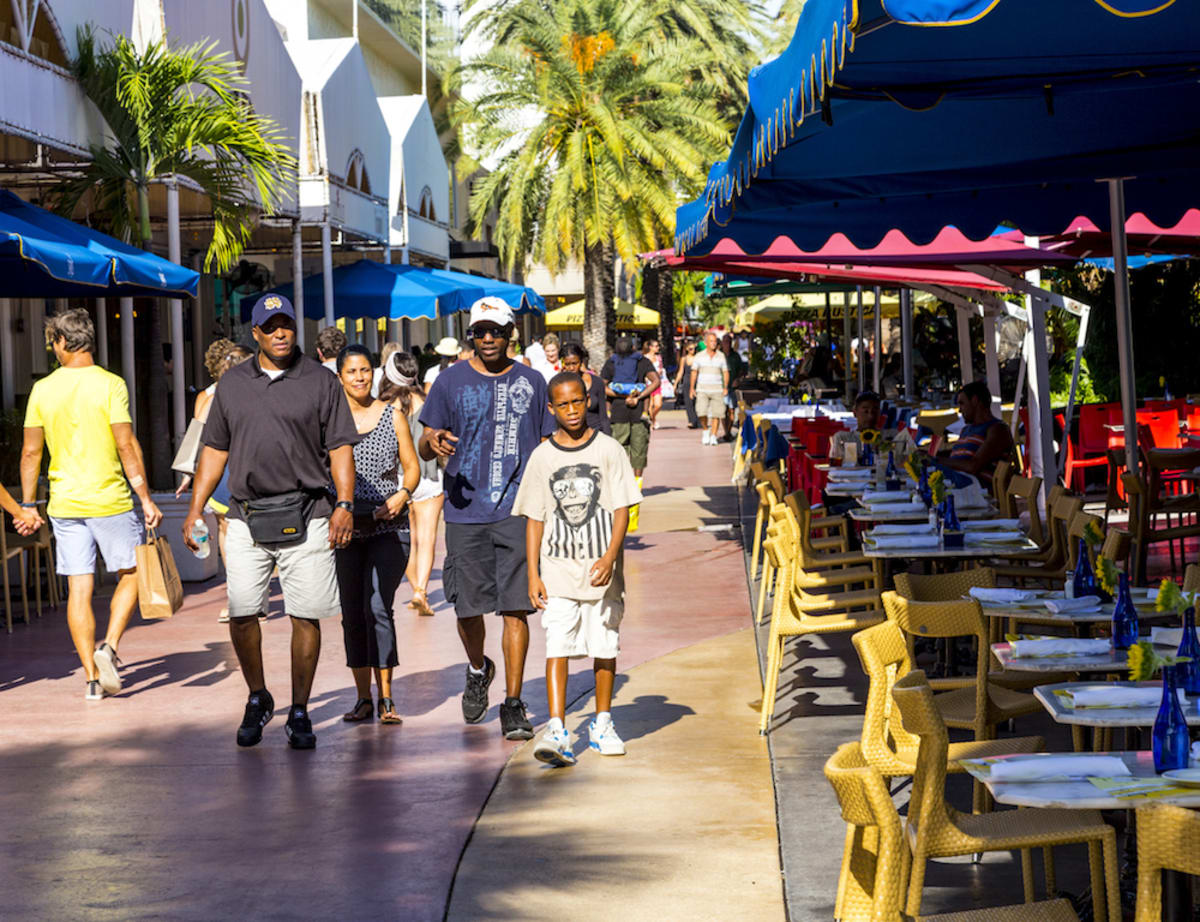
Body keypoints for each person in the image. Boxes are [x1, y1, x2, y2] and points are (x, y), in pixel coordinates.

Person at [183, 293, 358, 750]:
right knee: (242, 613)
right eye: (271, 326)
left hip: (309, 512)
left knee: (306, 614)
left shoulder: (321, 381)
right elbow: (214, 450)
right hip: (245, 517)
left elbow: (340, 446)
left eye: (287, 324)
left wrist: (344, 503)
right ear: (255, 333)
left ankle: (300, 710)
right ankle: (258, 696)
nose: (281, 333)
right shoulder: (232, 386)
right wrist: (196, 507)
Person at [419, 296, 556, 740]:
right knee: (468, 607)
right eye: (480, 331)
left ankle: (513, 704)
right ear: (471, 335)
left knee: (515, 608)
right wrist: (433, 442)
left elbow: (549, 444)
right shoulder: (449, 381)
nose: (488, 338)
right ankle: (478, 669)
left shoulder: (533, 381)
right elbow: (425, 440)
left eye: (496, 330)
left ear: (510, 333)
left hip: (518, 510)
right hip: (464, 512)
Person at [20, 308, 163, 700]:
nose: (53, 349)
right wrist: (146, 497)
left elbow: (31, 453)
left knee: (78, 588)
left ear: (63, 342)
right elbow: (126, 443)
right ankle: (109, 646)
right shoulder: (111, 385)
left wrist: (29, 504)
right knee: (131, 574)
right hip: (110, 499)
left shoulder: (42, 389)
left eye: (53, 342)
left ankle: (91, 680)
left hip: (64, 504)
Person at [516, 371, 642, 767]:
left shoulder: (608, 450)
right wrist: (533, 573)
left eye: (577, 402)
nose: (571, 411)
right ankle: (557, 728)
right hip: (556, 569)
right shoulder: (543, 457)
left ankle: (602, 721)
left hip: (600, 571)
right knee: (558, 644)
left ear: (587, 400)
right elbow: (534, 517)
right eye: (562, 404)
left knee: (604, 645)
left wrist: (609, 556)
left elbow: (623, 508)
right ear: (550, 408)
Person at [335, 344, 421, 726]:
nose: (359, 377)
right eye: (352, 371)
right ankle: (362, 698)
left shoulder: (393, 415)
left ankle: (387, 698)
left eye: (365, 370)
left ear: (375, 373)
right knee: (353, 612)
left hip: (389, 526)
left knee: (378, 608)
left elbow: (412, 469)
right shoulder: (331, 422)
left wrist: (403, 494)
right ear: (340, 376)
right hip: (347, 530)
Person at [176, 340, 254, 622]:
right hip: (229, 470)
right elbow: (199, 439)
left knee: (231, 533)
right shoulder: (218, 397)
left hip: (225, 473)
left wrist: (188, 474)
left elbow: (195, 439)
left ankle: (242, 596)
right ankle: (242, 596)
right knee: (236, 531)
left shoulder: (209, 397)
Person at [379, 350, 444, 617]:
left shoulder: (384, 405)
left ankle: (417, 587)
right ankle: (421, 592)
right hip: (429, 476)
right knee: (427, 539)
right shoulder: (427, 400)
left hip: (400, 479)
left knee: (405, 538)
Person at [600, 337, 658, 533]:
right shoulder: (642, 361)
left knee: (618, 454)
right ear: (633, 348)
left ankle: (620, 490)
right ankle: (637, 491)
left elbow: (602, 385)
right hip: (639, 413)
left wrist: (620, 396)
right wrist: (639, 396)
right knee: (639, 455)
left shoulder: (612, 361)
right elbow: (655, 381)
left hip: (618, 413)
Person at [943, 380, 1015, 485]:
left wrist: (937, 460)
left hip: (979, 494)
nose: (960, 410)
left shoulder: (998, 430)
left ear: (975, 400)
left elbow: (973, 466)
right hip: (957, 488)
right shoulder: (966, 430)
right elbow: (958, 458)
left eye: (962, 404)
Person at [561, 342, 610, 435]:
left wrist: (608, 439)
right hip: (570, 436)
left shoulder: (596, 382)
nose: (571, 368)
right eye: (567, 364)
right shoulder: (560, 385)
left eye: (574, 363)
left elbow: (603, 416)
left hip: (596, 433)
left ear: (581, 362)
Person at [690, 331, 728, 446]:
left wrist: (725, 387)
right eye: (711, 341)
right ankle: (706, 430)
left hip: (717, 389)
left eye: (715, 341)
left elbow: (725, 372)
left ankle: (713, 435)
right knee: (701, 412)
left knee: (717, 413)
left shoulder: (721, 356)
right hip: (702, 389)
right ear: (706, 343)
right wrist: (692, 388)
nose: (714, 343)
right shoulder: (699, 356)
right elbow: (694, 372)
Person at [674, 339, 700, 428]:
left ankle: (698, 420)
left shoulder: (698, 358)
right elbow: (680, 372)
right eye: (690, 349)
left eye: (693, 349)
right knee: (688, 401)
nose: (692, 351)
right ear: (686, 349)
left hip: (697, 381)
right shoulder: (683, 359)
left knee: (697, 401)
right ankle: (691, 421)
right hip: (687, 380)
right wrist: (675, 384)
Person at [643, 338, 666, 430]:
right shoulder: (644, 357)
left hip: (657, 383)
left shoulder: (658, 357)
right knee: (650, 405)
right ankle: (652, 421)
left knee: (658, 404)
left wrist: (660, 371)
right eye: (656, 346)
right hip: (647, 384)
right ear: (650, 347)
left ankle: (652, 418)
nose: (658, 348)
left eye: (658, 346)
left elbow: (661, 368)